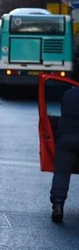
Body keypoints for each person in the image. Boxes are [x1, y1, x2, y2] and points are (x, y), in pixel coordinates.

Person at [50, 86, 79, 223]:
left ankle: (58, 204)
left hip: (66, 140)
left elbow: (63, 112)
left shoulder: (68, 94)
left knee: (62, 173)